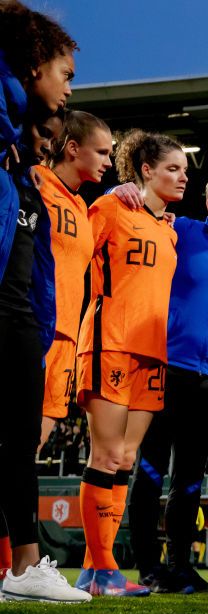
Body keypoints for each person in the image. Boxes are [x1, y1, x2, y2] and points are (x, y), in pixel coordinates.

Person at [117, 171, 208, 594]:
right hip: (165, 369)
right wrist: (119, 191)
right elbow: (135, 216)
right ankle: (148, 569)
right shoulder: (181, 230)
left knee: (191, 478)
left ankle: (179, 566)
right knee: (152, 470)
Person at [75, 129, 184, 598]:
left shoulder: (170, 229)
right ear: (145, 170)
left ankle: (93, 573)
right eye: (172, 169)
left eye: (184, 170)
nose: (182, 177)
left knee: (125, 458)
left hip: (152, 353)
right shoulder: (111, 209)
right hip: (109, 342)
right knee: (104, 455)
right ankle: (105, 568)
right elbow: (70, 249)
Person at [0, 109, 87, 603]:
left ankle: (25, 568)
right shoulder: (14, 181)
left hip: (26, 326)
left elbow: (41, 269)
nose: (47, 144)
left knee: (19, 447)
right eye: (42, 132)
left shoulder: (30, 189)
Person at [36, 111, 112, 450]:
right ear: (71, 148)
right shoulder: (34, 181)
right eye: (102, 152)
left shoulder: (84, 207)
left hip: (66, 340)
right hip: (31, 330)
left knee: (33, 445)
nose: (108, 162)